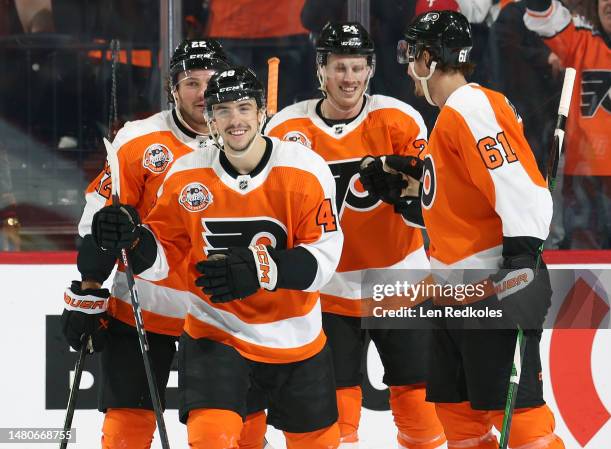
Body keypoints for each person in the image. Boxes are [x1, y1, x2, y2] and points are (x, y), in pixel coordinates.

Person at [89, 66, 344, 449]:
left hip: (295, 337)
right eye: (223, 110)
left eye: (244, 108)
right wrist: (133, 240)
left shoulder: (305, 169)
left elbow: (323, 258)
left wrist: (262, 269)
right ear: (210, 119)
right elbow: (163, 255)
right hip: (215, 332)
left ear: (262, 113)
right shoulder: (186, 174)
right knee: (211, 439)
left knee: (318, 443)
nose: (235, 120)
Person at [363, 11, 565, 449]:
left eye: (412, 55)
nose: (408, 66)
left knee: (520, 419)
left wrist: (522, 260)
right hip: (453, 290)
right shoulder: (452, 116)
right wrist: (410, 199)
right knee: (458, 416)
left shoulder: (472, 106)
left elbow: (523, 189)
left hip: (493, 288)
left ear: (431, 59)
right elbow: (461, 208)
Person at [61, 40, 270, 449]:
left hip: (224, 311)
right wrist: (88, 291)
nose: (203, 92)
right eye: (191, 82)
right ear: (172, 89)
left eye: (211, 81)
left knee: (240, 434)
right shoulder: (139, 140)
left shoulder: (253, 140)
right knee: (124, 434)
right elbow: (102, 223)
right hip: (148, 302)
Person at [266, 22, 445, 449]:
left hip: (401, 284)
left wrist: (408, 196)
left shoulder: (400, 118)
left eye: (358, 67)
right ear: (321, 70)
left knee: (422, 413)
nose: (349, 77)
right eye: (340, 67)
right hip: (327, 291)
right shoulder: (286, 128)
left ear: (371, 70)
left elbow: (433, 201)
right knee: (334, 421)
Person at [524, 0, 611, 249]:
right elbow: (542, 13)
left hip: (586, 179)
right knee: (586, 272)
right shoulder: (579, 40)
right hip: (585, 179)